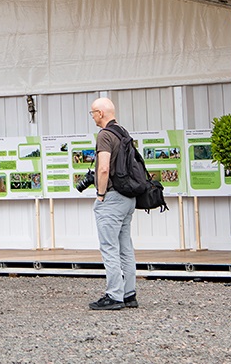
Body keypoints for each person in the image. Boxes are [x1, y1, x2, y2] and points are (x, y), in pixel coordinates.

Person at [89, 96, 138, 310]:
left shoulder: (105, 135)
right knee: (125, 247)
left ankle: (114, 295)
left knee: (109, 247)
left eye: (92, 113)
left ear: (100, 113)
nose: (92, 117)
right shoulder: (123, 132)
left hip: (112, 197)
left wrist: (100, 194)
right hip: (129, 198)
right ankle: (129, 294)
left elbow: (103, 168)